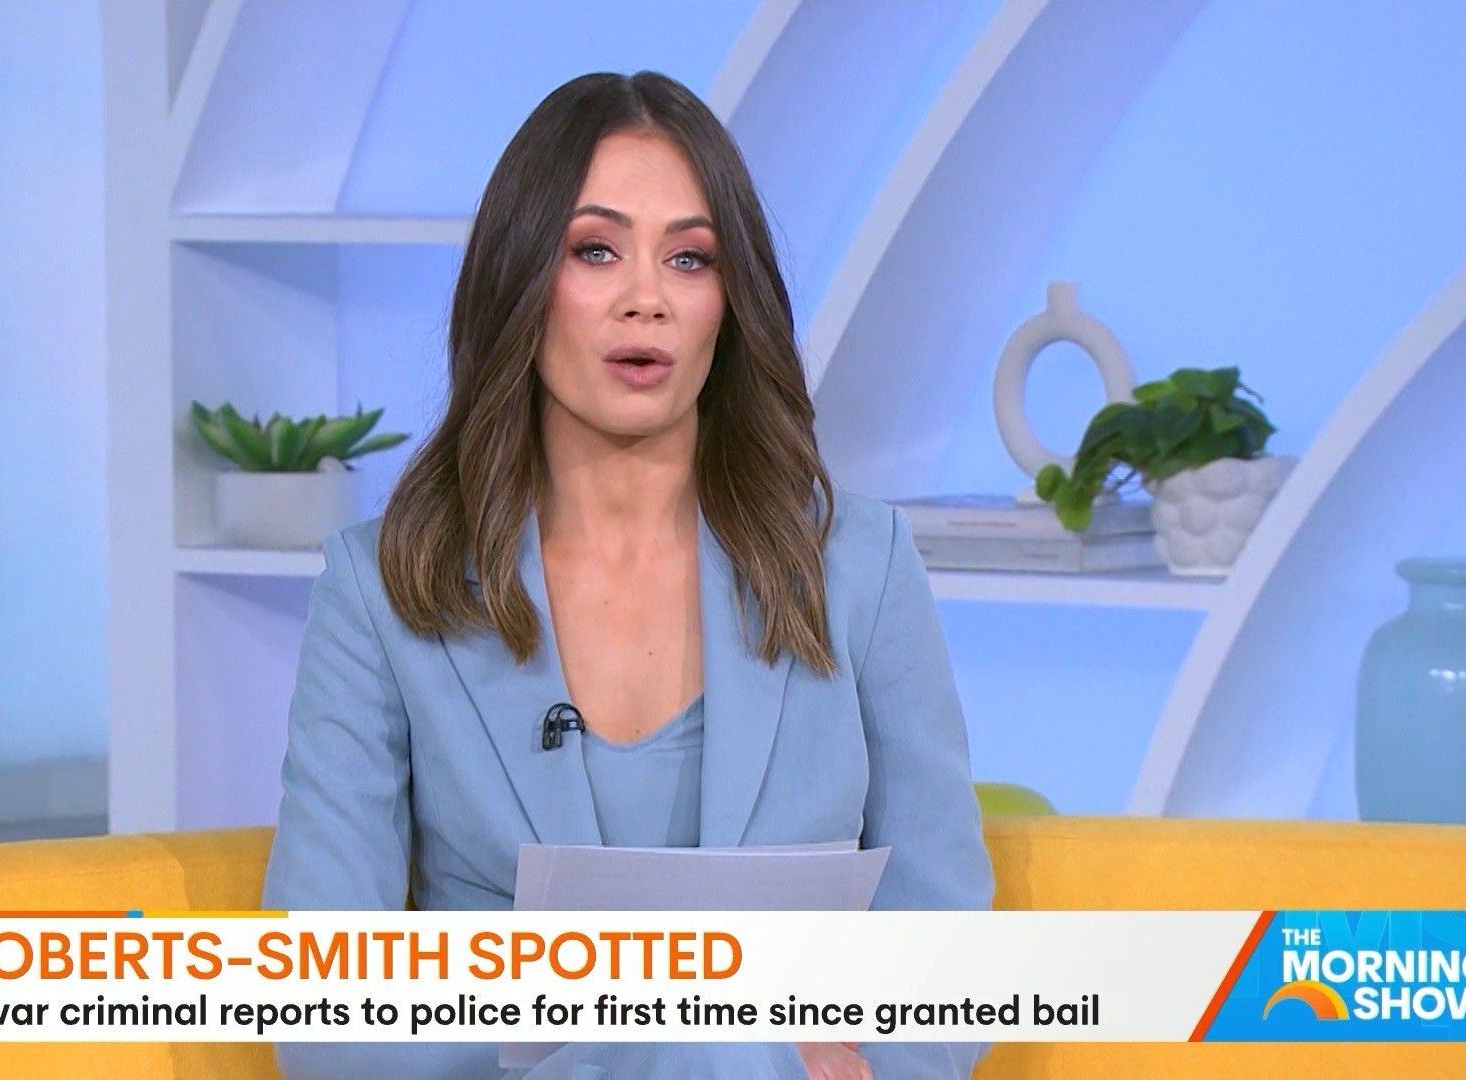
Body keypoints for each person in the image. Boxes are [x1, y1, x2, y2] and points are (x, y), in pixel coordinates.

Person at [263, 70, 994, 1079]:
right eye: (595, 251)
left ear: (728, 303)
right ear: (520, 279)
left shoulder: (860, 569)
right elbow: (326, 1019)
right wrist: (686, 1027)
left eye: (689, 258)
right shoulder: (383, 590)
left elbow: (943, 961)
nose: (645, 299)